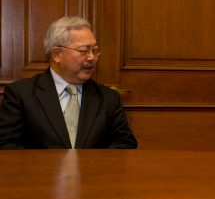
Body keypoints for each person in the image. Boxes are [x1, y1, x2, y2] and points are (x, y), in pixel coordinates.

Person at [0, 16, 137, 149]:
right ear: (57, 54)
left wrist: (93, 167)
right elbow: (5, 144)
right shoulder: (21, 94)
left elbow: (125, 143)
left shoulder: (108, 98)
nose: (92, 58)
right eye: (84, 51)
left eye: (95, 51)